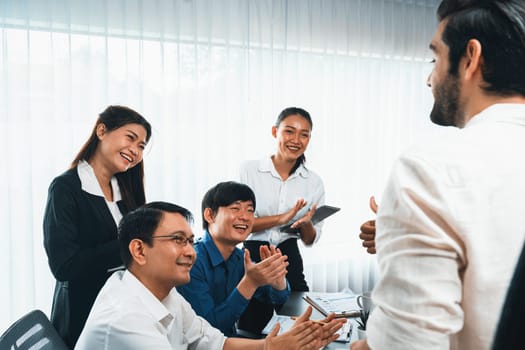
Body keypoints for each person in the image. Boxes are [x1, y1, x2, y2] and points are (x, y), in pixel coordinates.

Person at [351, 0, 525, 349]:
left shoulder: (429, 170)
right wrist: (407, 232)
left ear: (470, 58)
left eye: (435, 58)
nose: (429, 78)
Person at [75, 201, 344, 349]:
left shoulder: (163, 291)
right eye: (178, 240)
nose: (190, 252)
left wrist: (270, 347)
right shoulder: (126, 319)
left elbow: (213, 341)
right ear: (139, 250)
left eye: (190, 241)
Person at [43, 105, 152, 348]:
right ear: (101, 131)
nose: (135, 150)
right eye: (130, 138)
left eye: (142, 146)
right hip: (84, 313)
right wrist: (127, 247)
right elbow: (64, 266)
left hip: (124, 307)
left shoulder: (127, 189)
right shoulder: (66, 188)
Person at [177, 181, 293, 335]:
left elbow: (276, 298)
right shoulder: (191, 262)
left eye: (250, 210)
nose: (245, 217)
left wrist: (278, 280)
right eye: (235, 208)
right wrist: (249, 283)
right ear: (210, 215)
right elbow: (208, 331)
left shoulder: (239, 258)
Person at [240, 107, 324, 292]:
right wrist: (282, 218)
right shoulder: (249, 171)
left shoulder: (314, 182)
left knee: (299, 313)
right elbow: (238, 226)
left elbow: (309, 240)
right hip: (253, 255)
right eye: (289, 131)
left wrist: (306, 224)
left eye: (304, 135)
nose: (296, 140)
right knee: (254, 317)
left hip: (290, 256)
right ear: (274, 132)